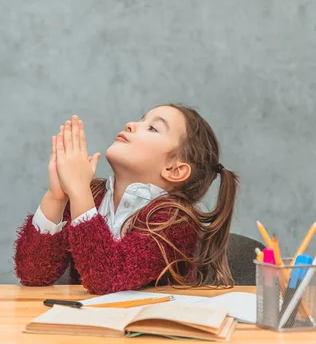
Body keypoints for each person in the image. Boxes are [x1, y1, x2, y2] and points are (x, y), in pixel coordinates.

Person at [14, 105, 239, 294]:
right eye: (141, 120)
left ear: (174, 170)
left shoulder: (175, 220)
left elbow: (106, 279)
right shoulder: (91, 196)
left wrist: (79, 191)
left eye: (152, 128)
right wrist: (56, 197)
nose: (131, 124)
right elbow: (33, 273)